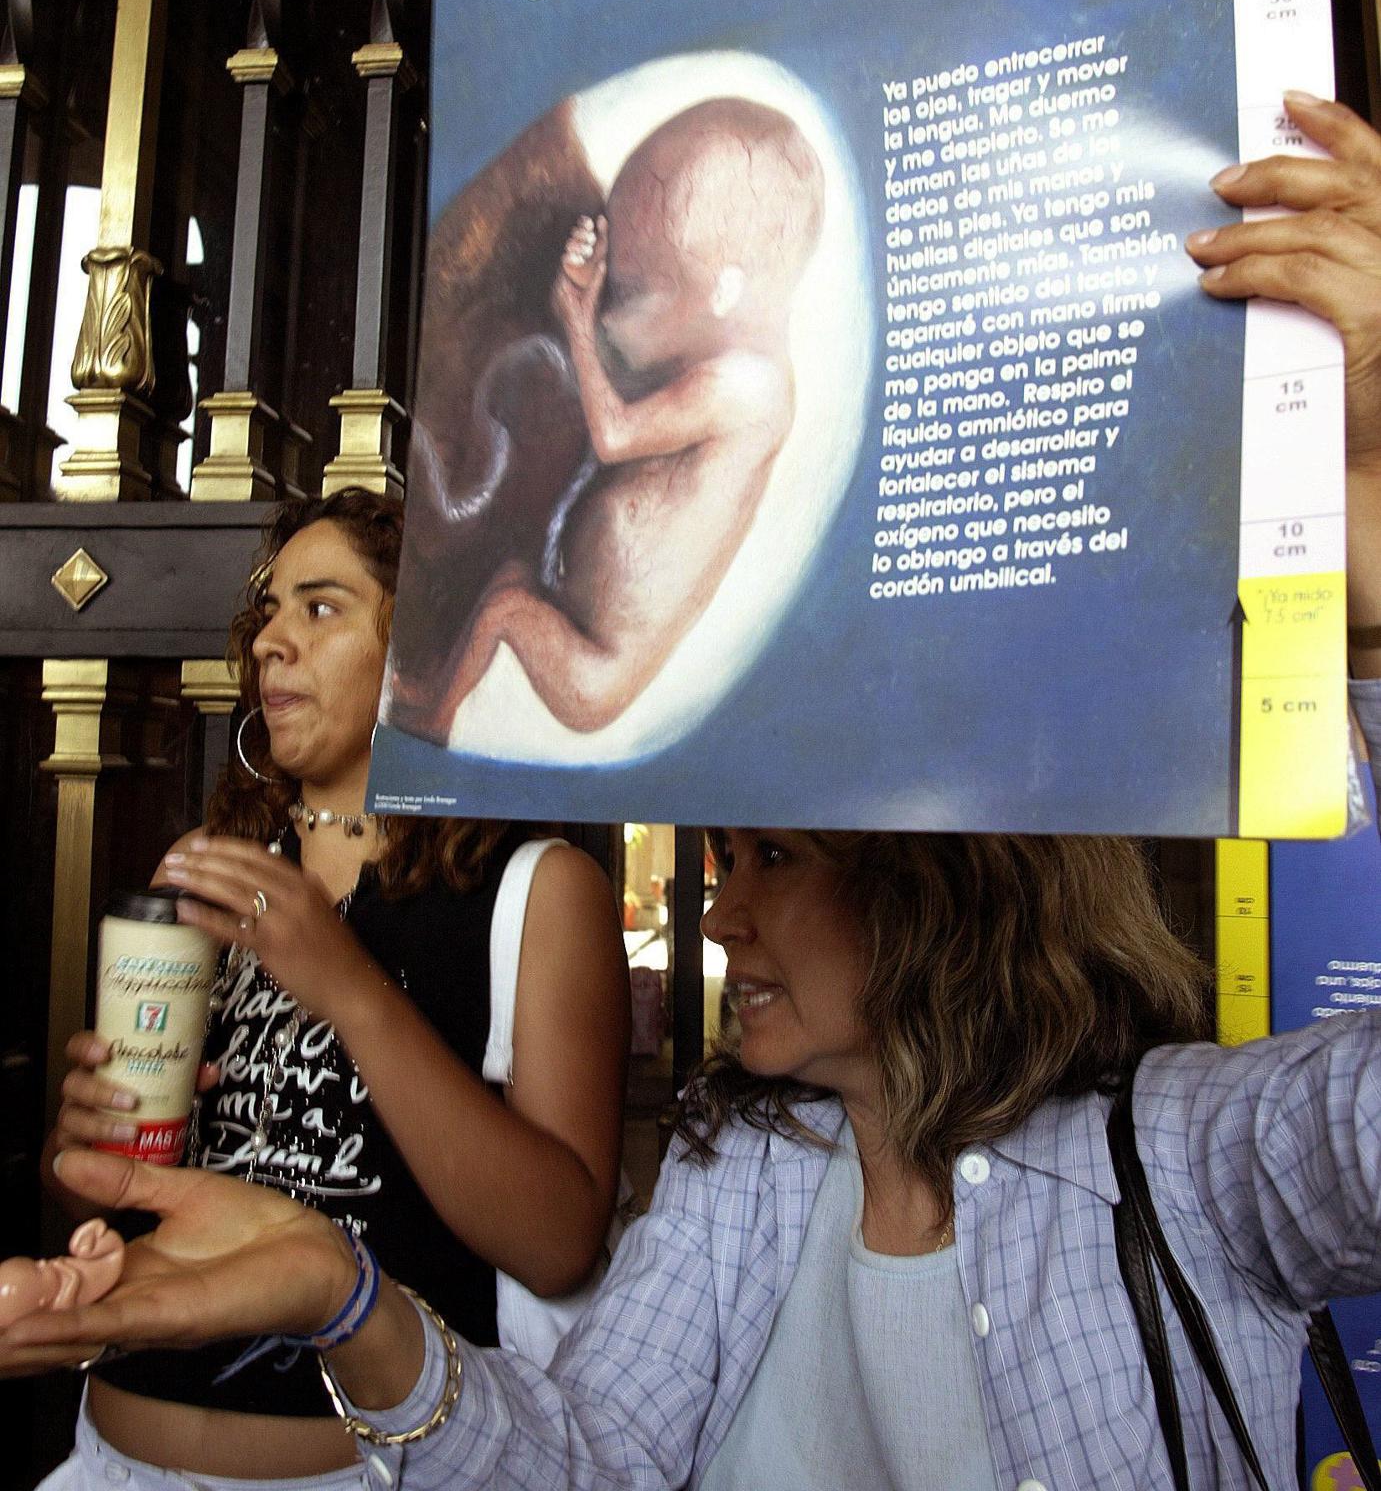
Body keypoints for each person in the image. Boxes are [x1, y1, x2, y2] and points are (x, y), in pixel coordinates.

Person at [5, 92, 1381, 1491]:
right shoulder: (749, 1180)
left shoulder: (1190, 1161)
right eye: (264, 613)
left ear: (945, 878)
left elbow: (550, 1235)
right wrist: (331, 1295)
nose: (718, 919)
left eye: (770, 857)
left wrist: (1373, 582)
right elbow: (584, 1464)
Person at [34, 485, 630, 1488]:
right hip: (108, 1458)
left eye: (320, 608)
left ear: (425, 646)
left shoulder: (538, 893)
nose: (271, 642)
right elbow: (112, 1210)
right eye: (268, 613)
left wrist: (348, 988)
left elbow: (559, 1243)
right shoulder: (206, 870)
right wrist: (83, 1142)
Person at [439, 97, 826, 736]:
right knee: (503, 580)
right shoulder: (721, 354)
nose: (615, 311)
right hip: (577, 613)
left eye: (630, 291)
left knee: (504, 606)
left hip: (594, 670)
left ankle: (433, 717)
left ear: (725, 292)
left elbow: (615, 433)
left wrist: (578, 315)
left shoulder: (749, 387)